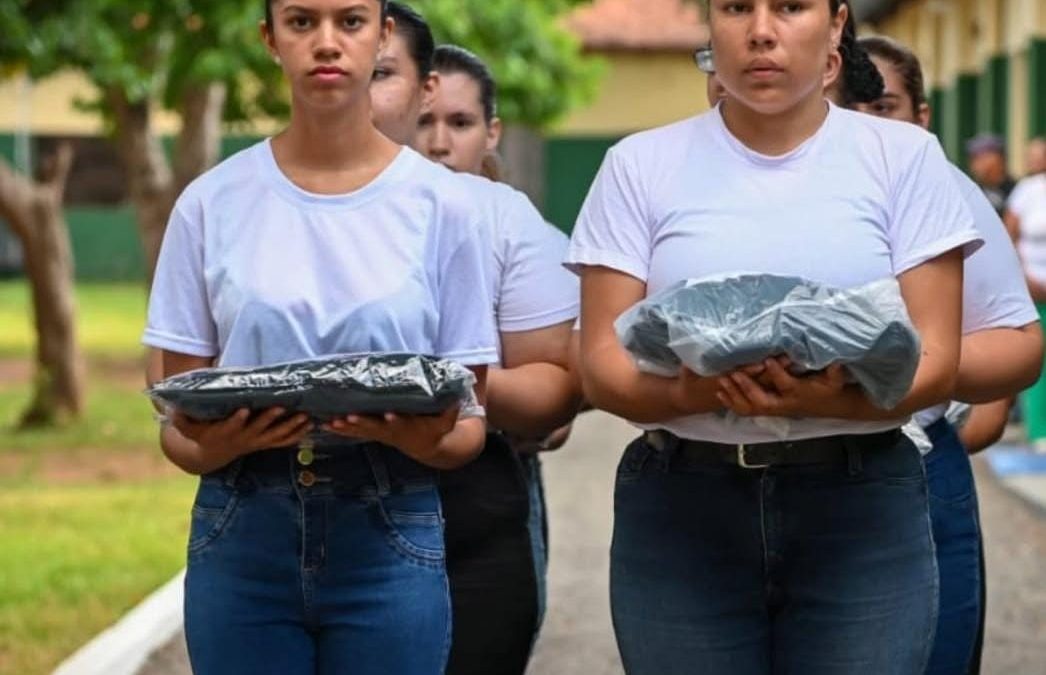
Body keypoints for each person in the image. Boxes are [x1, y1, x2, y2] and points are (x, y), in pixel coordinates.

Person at [568, 0, 981, 673]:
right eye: (736, 7)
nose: (761, 30)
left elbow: (935, 360)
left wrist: (819, 402)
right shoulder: (638, 165)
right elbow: (601, 363)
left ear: (837, 25)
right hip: (681, 509)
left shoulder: (905, 158)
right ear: (711, 23)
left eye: (790, 6)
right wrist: (687, 390)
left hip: (862, 504)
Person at [142, 1, 500, 672]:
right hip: (242, 525)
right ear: (269, 39)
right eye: (302, 21)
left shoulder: (444, 206)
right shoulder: (210, 203)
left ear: (383, 35)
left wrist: (421, 437)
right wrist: (214, 443)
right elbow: (177, 423)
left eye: (351, 21)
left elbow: (468, 424)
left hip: (392, 524)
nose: (327, 43)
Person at [370, 5, 580, 673]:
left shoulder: (512, 224)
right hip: (344, 486)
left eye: (458, 123)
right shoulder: (315, 207)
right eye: (428, 121)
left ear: (491, 133)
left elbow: (564, 388)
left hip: (484, 490)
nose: (438, 140)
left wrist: (457, 387)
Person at [855, 35, 1042, 675]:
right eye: (854, 106)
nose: (869, 123)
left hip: (922, 455)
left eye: (885, 107)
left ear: (922, 117)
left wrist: (952, 417)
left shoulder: (948, 195)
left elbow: (1007, 328)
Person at [1005, 138, 1046, 449]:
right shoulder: (1027, 190)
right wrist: (1024, 277)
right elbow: (1010, 235)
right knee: (1037, 355)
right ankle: (1039, 431)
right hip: (1033, 285)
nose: (1035, 159)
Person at [966, 132, 1017, 215]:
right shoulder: (969, 192)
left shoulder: (1018, 190)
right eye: (974, 158)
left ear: (1001, 159)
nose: (977, 165)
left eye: (983, 158)